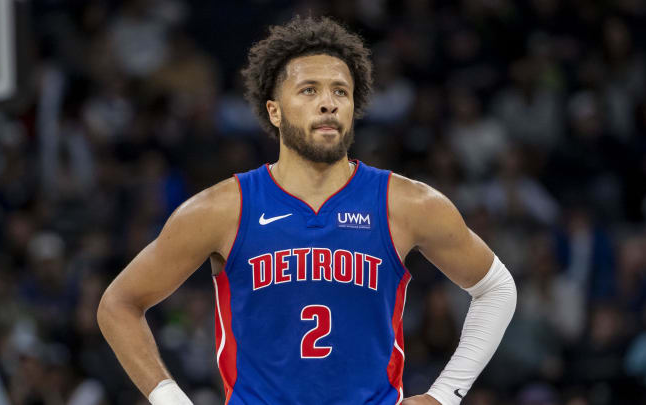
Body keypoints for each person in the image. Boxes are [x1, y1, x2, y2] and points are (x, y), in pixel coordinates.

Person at [97, 16, 517, 405]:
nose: (328, 103)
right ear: (274, 111)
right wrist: (171, 400)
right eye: (309, 90)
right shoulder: (221, 208)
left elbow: (497, 288)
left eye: (340, 91)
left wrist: (445, 394)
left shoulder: (407, 203)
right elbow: (119, 304)